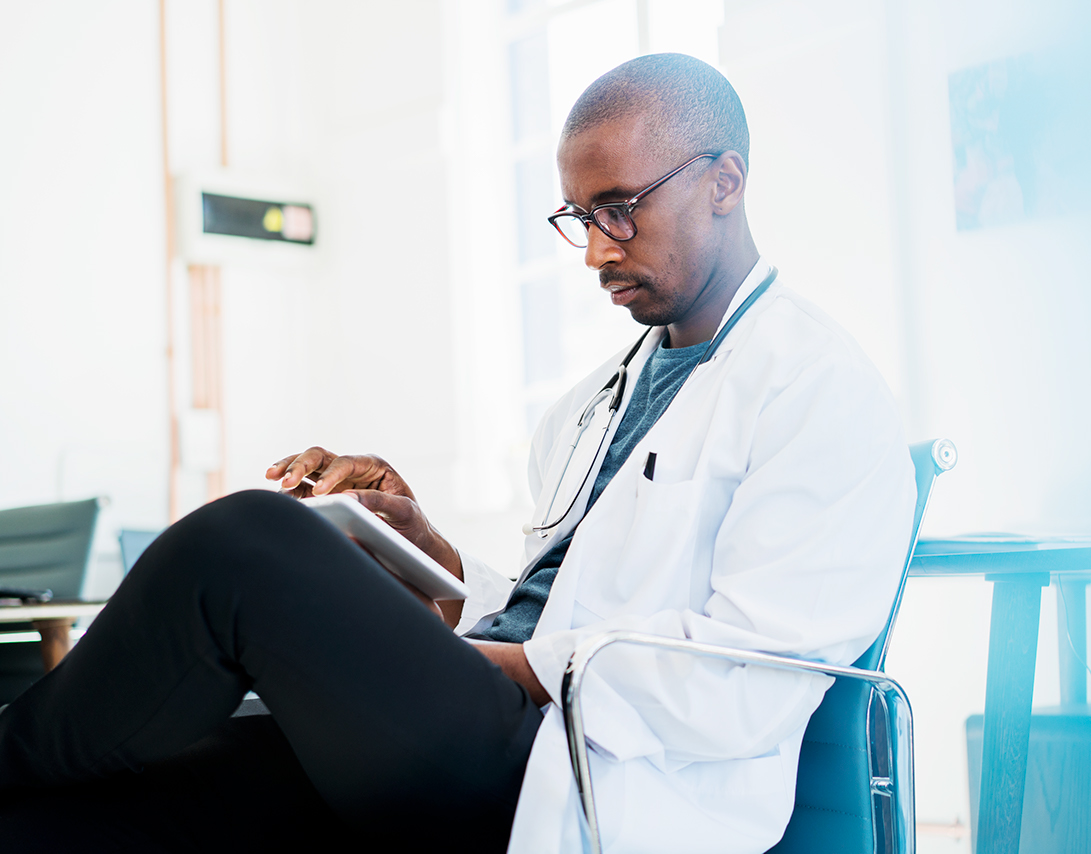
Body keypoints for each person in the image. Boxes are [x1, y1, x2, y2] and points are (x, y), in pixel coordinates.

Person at [0, 53, 915, 853]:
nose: (596, 250)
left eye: (621, 210)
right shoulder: (595, 402)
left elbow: (743, 687)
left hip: (588, 788)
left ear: (724, 181)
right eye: (579, 217)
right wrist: (428, 562)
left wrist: (488, 667)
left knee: (250, 542)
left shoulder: (818, 392)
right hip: (504, 732)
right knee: (90, 815)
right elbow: (546, 606)